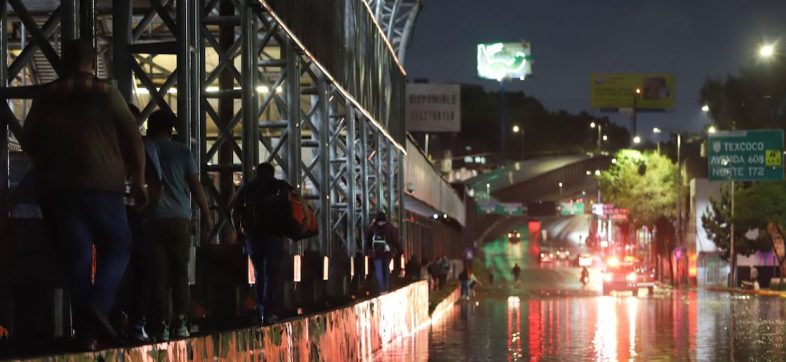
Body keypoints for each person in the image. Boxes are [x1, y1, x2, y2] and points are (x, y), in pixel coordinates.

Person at [22, 39, 147, 350]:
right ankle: (99, 300)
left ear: (63, 64)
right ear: (92, 64)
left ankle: (86, 335)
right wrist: (141, 181)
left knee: (76, 257)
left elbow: (28, 141)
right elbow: (133, 136)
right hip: (103, 185)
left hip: (58, 190)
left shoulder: (46, 95)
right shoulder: (107, 91)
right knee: (118, 246)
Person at [143, 110, 212, 341]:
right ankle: (181, 322)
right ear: (170, 129)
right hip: (180, 219)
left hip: (152, 219)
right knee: (180, 272)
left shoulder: (143, 149)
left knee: (157, 274)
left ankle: (159, 326)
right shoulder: (182, 152)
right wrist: (206, 214)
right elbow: (195, 186)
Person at [233, 162, 292, 325]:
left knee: (260, 274)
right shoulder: (279, 185)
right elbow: (295, 200)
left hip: (253, 237)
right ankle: (268, 313)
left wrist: (239, 232)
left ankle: (261, 312)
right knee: (272, 276)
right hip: (274, 237)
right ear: (272, 173)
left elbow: (234, 210)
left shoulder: (247, 188)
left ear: (256, 173)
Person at [366, 211, 402, 294]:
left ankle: (381, 289)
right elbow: (395, 240)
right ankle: (386, 288)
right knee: (386, 270)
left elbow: (368, 241)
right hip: (387, 253)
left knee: (378, 270)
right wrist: (400, 250)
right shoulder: (390, 227)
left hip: (376, 253)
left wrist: (370, 250)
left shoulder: (372, 227)